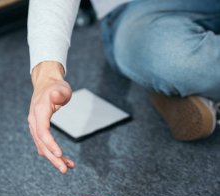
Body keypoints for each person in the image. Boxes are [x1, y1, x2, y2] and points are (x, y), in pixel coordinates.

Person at [27, 0, 220, 174]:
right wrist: (47, 75)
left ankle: (182, 89)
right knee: (176, 60)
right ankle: (178, 82)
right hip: (139, 8)